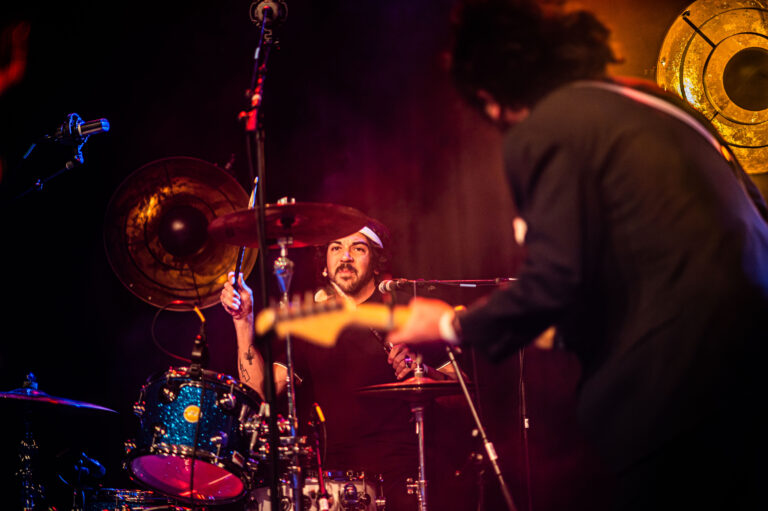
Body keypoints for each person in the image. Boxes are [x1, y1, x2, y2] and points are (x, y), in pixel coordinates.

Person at [388, 1, 768, 510]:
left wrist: (451, 327)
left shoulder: (545, 127)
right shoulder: (653, 100)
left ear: (489, 96)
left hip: (675, 396)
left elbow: (555, 280)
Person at [221, 219, 454, 511]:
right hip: (329, 482)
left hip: (400, 476)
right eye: (336, 248)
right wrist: (243, 321)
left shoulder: (406, 310)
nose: (345, 256)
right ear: (324, 264)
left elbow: (460, 390)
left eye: (358, 248)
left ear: (376, 262)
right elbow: (259, 393)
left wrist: (423, 372)